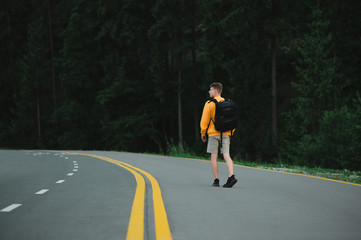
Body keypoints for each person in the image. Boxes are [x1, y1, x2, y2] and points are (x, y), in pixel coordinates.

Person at [200, 82, 238, 188]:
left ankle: (216, 180)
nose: (209, 91)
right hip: (226, 133)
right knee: (226, 155)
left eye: (210, 89)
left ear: (215, 91)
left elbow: (204, 120)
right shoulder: (227, 103)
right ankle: (231, 176)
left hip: (213, 134)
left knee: (214, 157)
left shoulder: (209, 104)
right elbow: (232, 119)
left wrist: (203, 133)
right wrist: (231, 132)